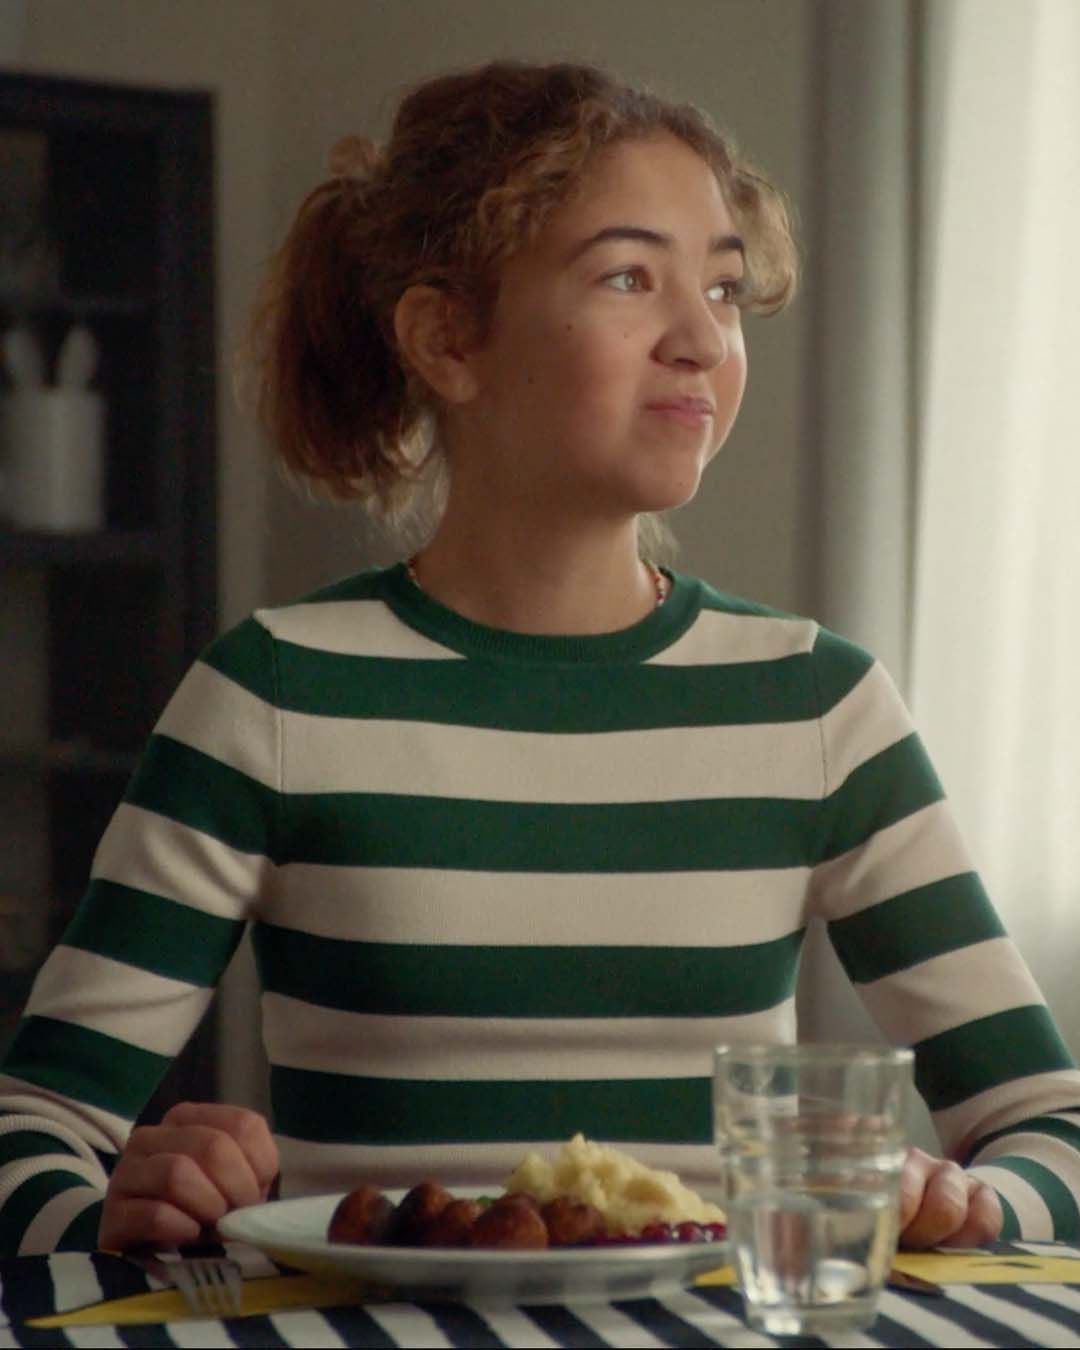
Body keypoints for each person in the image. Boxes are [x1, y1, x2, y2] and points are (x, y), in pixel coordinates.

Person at [1, 59, 1078, 1260]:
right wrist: (111, 1213)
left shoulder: (821, 706)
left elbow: (1054, 1132)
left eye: (722, 290)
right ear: (447, 339)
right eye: (629, 276)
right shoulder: (272, 695)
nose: (700, 341)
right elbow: (29, 1127)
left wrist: (975, 1203)